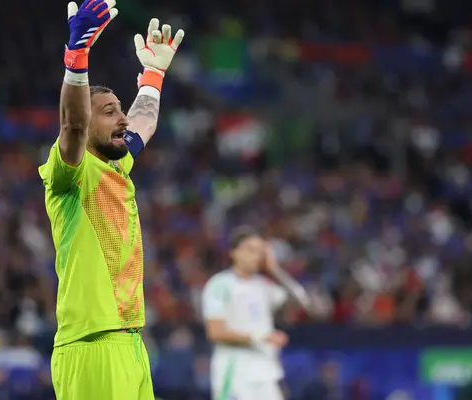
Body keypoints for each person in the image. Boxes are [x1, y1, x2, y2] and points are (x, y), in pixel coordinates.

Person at [38, 1, 184, 399]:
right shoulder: (72, 173)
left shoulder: (116, 168)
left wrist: (152, 77)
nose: (122, 118)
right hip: (90, 345)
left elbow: (144, 122)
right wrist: (77, 53)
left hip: (131, 341)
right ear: (88, 125)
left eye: (120, 109)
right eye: (109, 111)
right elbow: (72, 123)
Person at [201, 226, 314, 400]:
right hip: (234, 372)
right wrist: (261, 337)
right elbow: (215, 332)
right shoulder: (220, 285)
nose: (257, 256)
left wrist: (275, 269)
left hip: (265, 373)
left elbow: (302, 302)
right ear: (234, 252)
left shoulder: (264, 286)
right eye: (251, 250)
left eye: (261, 252)